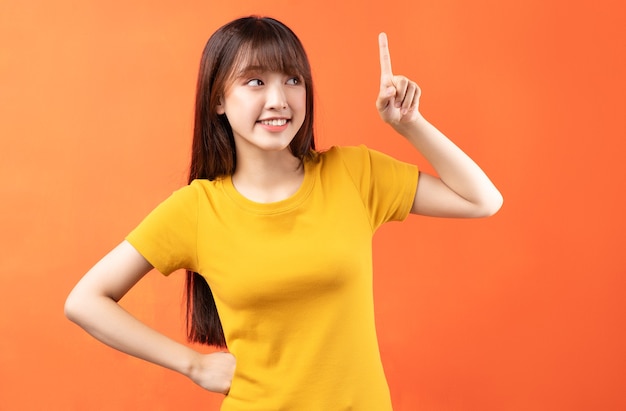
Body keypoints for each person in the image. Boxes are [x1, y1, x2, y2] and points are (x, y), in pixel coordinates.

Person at [65, 16, 502, 410]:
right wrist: (193, 366)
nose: (279, 99)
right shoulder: (198, 208)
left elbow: (481, 200)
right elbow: (85, 301)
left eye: (292, 80)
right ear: (218, 99)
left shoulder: (353, 173)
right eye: (255, 82)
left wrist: (409, 123)